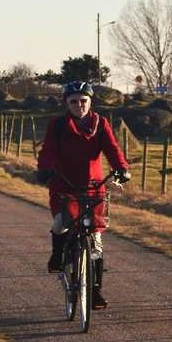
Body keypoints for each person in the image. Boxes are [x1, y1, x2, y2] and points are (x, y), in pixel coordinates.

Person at [35, 81, 131, 309]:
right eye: (74, 101)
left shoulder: (101, 123)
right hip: (63, 185)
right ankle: (57, 254)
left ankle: (95, 292)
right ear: (67, 104)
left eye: (83, 101)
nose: (79, 105)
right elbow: (47, 151)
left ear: (90, 101)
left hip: (93, 187)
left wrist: (122, 168)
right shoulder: (56, 125)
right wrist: (45, 170)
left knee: (96, 243)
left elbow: (112, 149)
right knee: (60, 223)